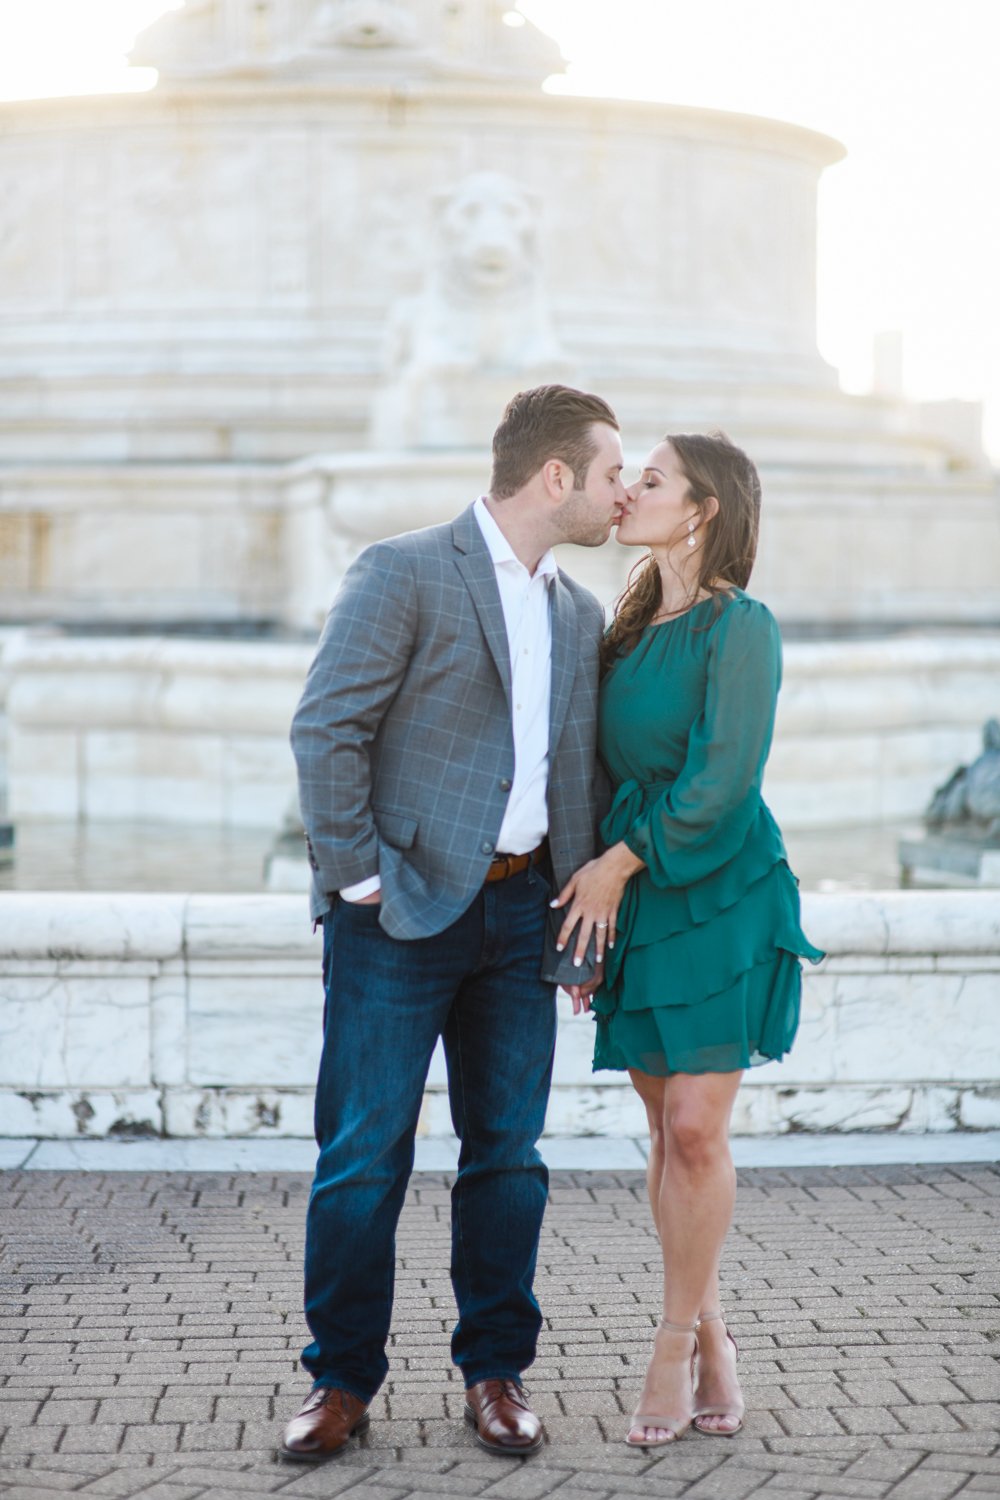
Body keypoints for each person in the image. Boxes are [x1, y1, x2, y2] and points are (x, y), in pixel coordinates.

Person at [282, 384, 626, 1461]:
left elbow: (573, 775)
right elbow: (326, 725)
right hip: (397, 917)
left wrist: (575, 924)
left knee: (508, 1157)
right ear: (556, 475)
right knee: (361, 1155)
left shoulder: (578, 611)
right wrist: (358, 879)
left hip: (525, 914)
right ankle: (339, 1382)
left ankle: (495, 1370)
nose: (623, 493)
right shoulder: (404, 568)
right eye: (612, 472)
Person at [552, 431, 823, 1447]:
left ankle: (668, 1346)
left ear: (702, 507)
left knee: (699, 1132)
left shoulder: (740, 628)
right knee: (665, 1133)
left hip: (716, 891)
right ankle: (714, 1335)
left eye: (649, 479)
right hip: (634, 907)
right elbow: (588, 771)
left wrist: (615, 865)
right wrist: (588, 908)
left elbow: (720, 785)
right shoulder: (620, 628)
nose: (624, 491)